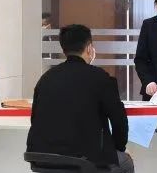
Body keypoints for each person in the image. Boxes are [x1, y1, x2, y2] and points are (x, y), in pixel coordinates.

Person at [26, 24, 134, 173]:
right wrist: (117, 148)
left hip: (43, 161)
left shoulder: (45, 79)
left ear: (64, 49)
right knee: (125, 162)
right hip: (85, 163)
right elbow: (119, 122)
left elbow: (35, 119)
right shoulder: (100, 78)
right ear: (89, 48)